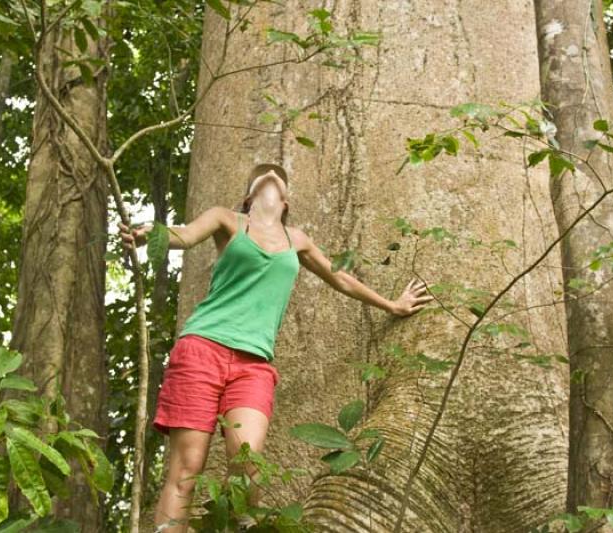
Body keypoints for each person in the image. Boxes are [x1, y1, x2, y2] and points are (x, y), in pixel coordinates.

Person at [118, 163, 434, 532]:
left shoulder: (296, 240)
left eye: (278, 176)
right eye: (261, 174)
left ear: (285, 201)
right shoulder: (227, 220)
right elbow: (185, 236)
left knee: (248, 465)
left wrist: (392, 304)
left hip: (253, 366)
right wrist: (149, 235)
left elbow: (341, 279)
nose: (270, 173)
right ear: (249, 196)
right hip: (202, 349)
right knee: (187, 468)